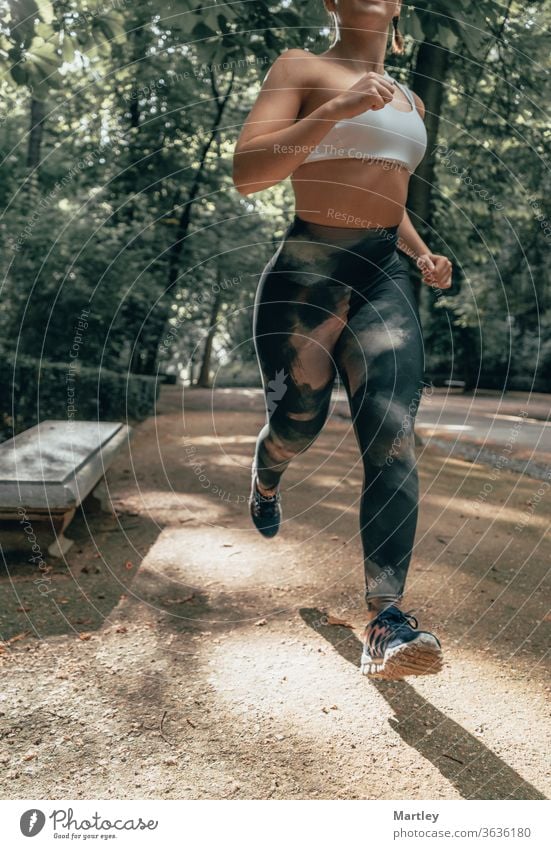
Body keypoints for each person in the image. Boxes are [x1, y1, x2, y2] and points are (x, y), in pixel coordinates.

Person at [232, 0, 452, 679]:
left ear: (396, 5)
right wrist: (334, 108)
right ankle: (267, 472)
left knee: (391, 432)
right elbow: (249, 172)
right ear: (331, 0)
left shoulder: (411, 100)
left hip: (383, 274)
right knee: (297, 419)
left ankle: (386, 620)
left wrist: (418, 253)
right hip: (308, 271)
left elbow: (386, 191)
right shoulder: (300, 68)